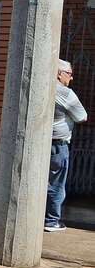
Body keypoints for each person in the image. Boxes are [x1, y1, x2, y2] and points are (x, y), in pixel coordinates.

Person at [46, 59, 87, 233]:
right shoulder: (65, 93)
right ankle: (51, 220)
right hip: (57, 145)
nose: (71, 78)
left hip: (42, 142)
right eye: (69, 74)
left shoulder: (43, 87)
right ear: (58, 73)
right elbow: (82, 116)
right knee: (56, 183)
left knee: (40, 181)